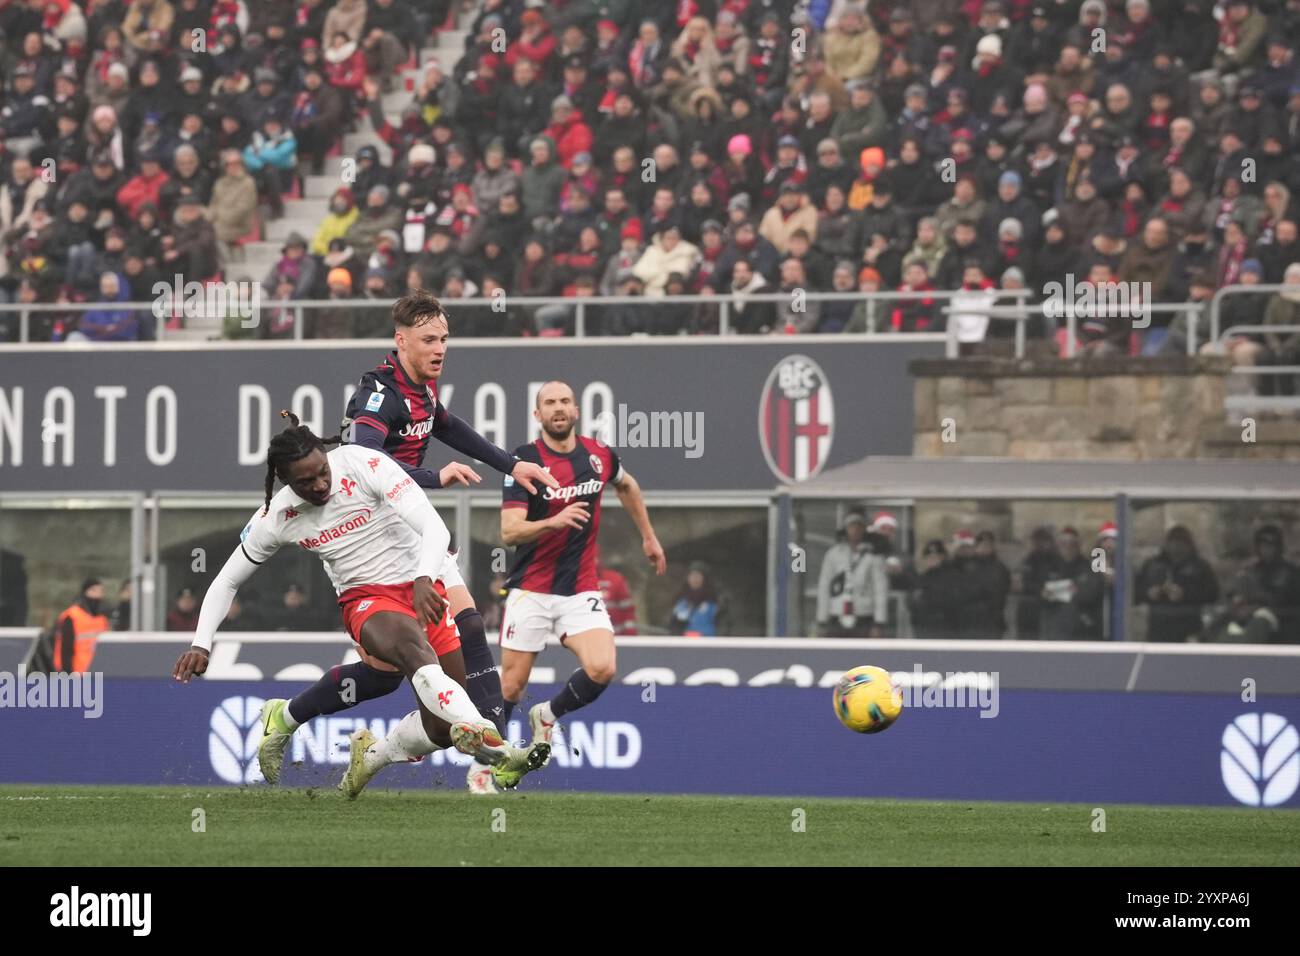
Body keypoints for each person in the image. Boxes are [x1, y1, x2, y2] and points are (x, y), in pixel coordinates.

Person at [262, 292, 557, 794]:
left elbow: (447, 425)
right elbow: (364, 457)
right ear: (401, 342)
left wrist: (512, 463)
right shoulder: (377, 396)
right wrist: (434, 476)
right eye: (428, 340)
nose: (440, 348)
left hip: (412, 528)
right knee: (401, 665)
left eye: (444, 338)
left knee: (421, 671)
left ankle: (371, 752)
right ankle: (497, 752)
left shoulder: (421, 388)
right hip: (371, 544)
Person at [171, 411, 541, 797]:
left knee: (441, 731)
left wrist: (424, 579)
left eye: (322, 472)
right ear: (284, 481)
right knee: (414, 653)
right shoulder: (277, 516)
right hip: (366, 600)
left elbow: (435, 528)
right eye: (305, 481)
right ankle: (499, 749)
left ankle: (368, 753)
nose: (319, 485)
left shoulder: (364, 463)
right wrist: (201, 642)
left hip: (423, 585)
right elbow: (227, 579)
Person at [497, 381, 667, 761]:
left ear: (575, 411)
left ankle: (547, 715)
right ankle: (484, 768)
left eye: (565, 402)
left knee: (603, 667)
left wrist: (649, 537)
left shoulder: (599, 455)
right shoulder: (523, 461)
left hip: (579, 589)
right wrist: (553, 522)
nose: (558, 408)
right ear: (537, 415)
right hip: (530, 589)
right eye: (549, 403)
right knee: (510, 688)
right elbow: (509, 531)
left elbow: (627, 486)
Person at [1136, 526, 1220, 642]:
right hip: (1158, 623)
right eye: (1173, 542)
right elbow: (1134, 592)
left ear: (1188, 544)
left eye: (1180, 542)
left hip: (1189, 622)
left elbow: (1212, 594)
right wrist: (1149, 593)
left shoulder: (1199, 566)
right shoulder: (1152, 565)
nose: (1175, 546)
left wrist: (1184, 594)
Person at [816, 511, 887, 638]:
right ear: (845, 529)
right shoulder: (834, 554)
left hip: (863, 614)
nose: (855, 530)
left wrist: (879, 622)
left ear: (864, 530)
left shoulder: (873, 555)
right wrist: (822, 619)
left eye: (858, 527)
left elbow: (880, 589)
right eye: (851, 526)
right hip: (837, 612)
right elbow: (824, 585)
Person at [51, 578, 111, 674]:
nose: (98, 595)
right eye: (93, 590)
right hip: (77, 672)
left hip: (99, 673)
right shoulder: (72, 616)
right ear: (85, 592)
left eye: (101, 591)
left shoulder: (103, 618)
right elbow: (65, 649)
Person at [668, 561, 724, 636]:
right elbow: (674, 627)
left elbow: (722, 628)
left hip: (709, 644)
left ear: (704, 579)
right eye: (691, 575)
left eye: (697, 576)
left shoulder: (715, 602)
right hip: (685, 644)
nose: (694, 579)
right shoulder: (681, 602)